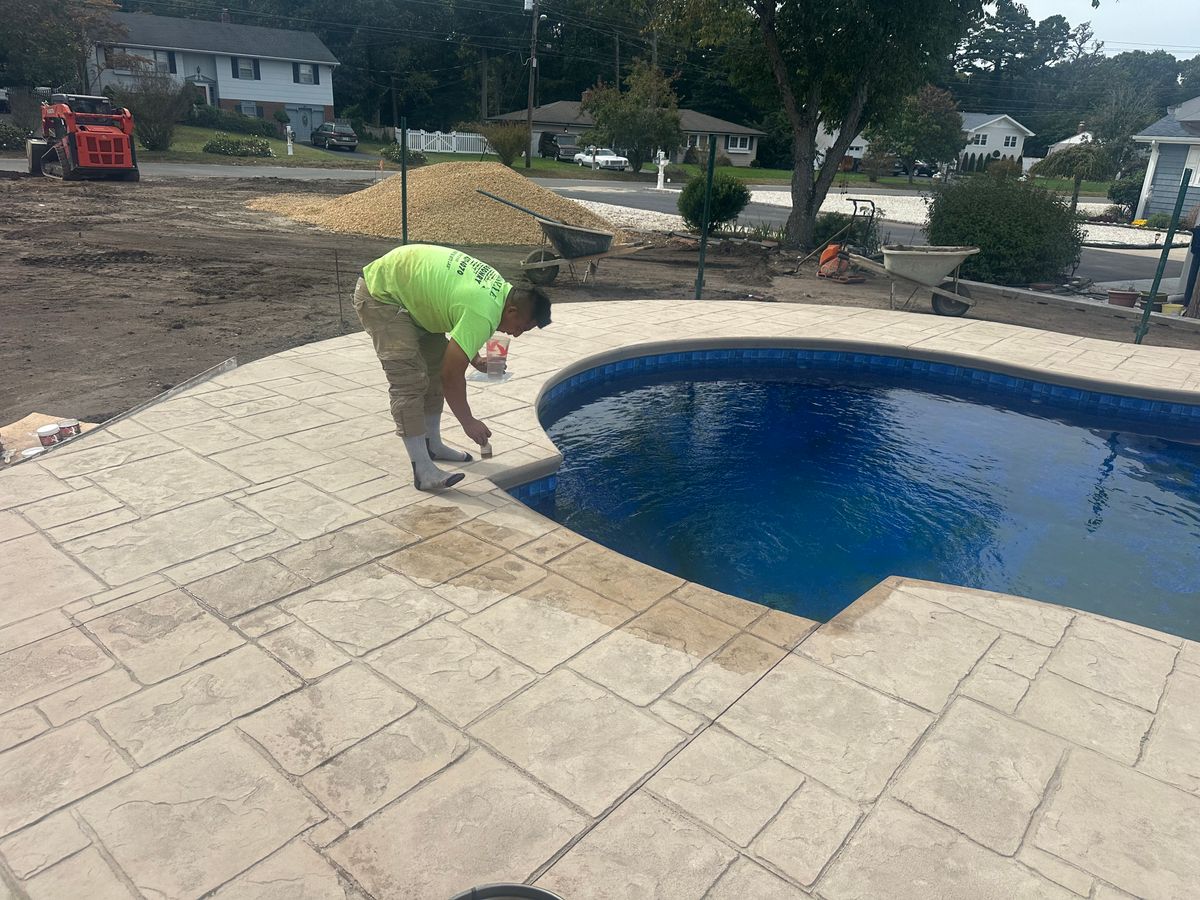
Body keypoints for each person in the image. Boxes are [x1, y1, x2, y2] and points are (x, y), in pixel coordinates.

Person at [354, 244, 551, 491]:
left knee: (434, 370)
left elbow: (461, 317)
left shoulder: (499, 291)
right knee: (409, 381)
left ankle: (433, 445)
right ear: (512, 311)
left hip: (412, 296)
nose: (517, 334)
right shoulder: (485, 312)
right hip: (382, 295)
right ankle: (423, 471)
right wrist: (468, 421)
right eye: (521, 327)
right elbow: (452, 375)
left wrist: (475, 359)